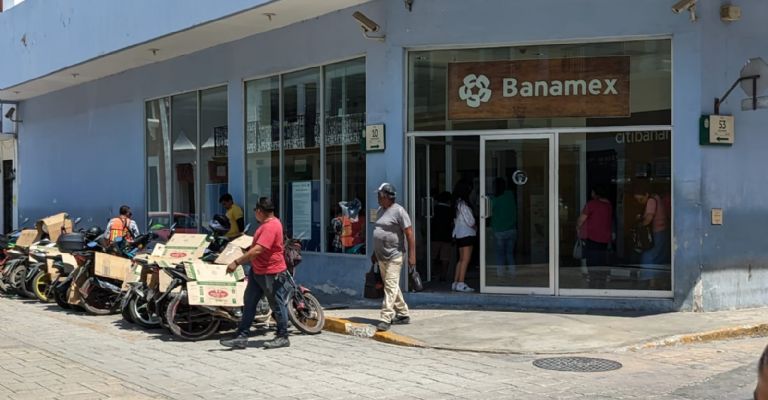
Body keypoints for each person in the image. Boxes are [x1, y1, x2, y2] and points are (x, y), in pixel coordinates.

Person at [220, 197, 290, 350]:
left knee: (276, 304)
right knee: (249, 302)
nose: (255, 214)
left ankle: (283, 336)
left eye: (255, 211)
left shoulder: (271, 226)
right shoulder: (265, 225)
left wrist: (237, 261)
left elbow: (259, 249)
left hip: (271, 272)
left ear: (259, 211)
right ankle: (242, 336)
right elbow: (256, 247)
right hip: (258, 271)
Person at [372, 182, 414, 332]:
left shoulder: (399, 212)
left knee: (389, 285)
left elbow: (409, 234)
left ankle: (386, 317)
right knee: (392, 285)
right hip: (381, 256)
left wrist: (412, 256)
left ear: (386, 197)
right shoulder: (379, 211)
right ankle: (403, 313)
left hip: (394, 256)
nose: (377, 198)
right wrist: (374, 253)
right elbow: (377, 231)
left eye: (379, 196)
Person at [576, 185, 613, 286]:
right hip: (605, 239)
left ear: (595, 193)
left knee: (592, 263)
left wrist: (578, 228)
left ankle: (593, 284)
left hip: (592, 238)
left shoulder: (592, 204)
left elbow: (581, 220)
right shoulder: (608, 205)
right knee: (602, 262)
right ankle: (601, 284)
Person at [452, 180, 476, 292]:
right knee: (466, 259)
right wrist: (476, 225)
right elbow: (470, 221)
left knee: (461, 259)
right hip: (467, 233)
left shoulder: (456, 203)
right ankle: (461, 283)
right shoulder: (464, 205)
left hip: (459, 234)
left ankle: (456, 282)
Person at [490, 178, 517, 277]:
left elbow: (488, 210)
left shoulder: (495, 199)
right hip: (512, 229)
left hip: (499, 230)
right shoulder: (510, 195)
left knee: (500, 254)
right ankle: (513, 273)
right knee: (510, 254)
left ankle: (500, 275)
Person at [431, 191, 453, 282]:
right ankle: (443, 275)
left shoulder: (434, 208)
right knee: (445, 257)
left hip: (435, 235)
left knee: (432, 255)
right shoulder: (450, 210)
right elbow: (452, 223)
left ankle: (430, 273)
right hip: (447, 236)